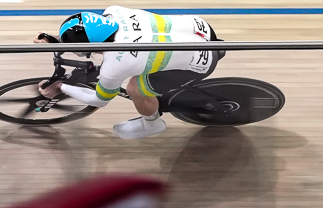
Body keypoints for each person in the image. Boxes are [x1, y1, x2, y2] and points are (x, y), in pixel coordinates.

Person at [37, 7, 221, 140]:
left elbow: (99, 100)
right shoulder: (114, 12)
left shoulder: (116, 64)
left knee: (134, 87)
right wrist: (54, 40)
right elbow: (89, 33)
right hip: (201, 28)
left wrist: (61, 87)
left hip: (200, 61)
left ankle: (152, 124)